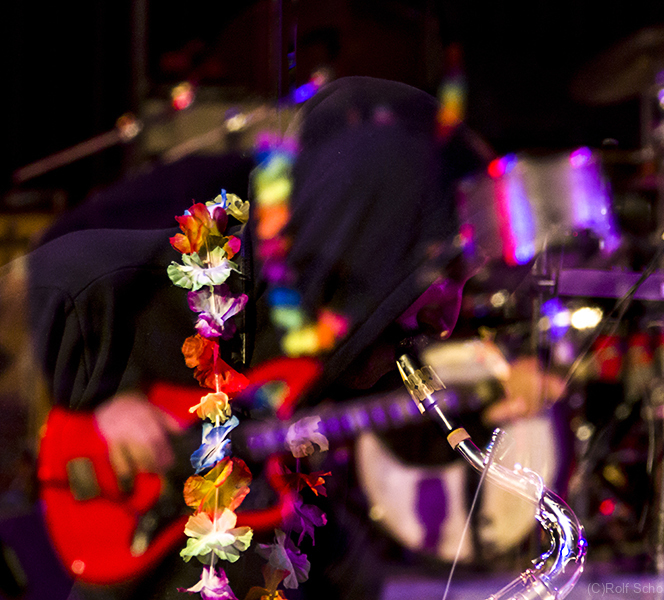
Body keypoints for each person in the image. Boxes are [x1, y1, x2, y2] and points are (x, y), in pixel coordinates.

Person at [26, 75, 528, 600]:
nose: (447, 318)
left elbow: (399, 425)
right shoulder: (207, 253)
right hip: (145, 538)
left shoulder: (352, 320)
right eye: (447, 279)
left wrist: (500, 387)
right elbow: (57, 268)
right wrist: (109, 397)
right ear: (385, 245)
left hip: (262, 537)